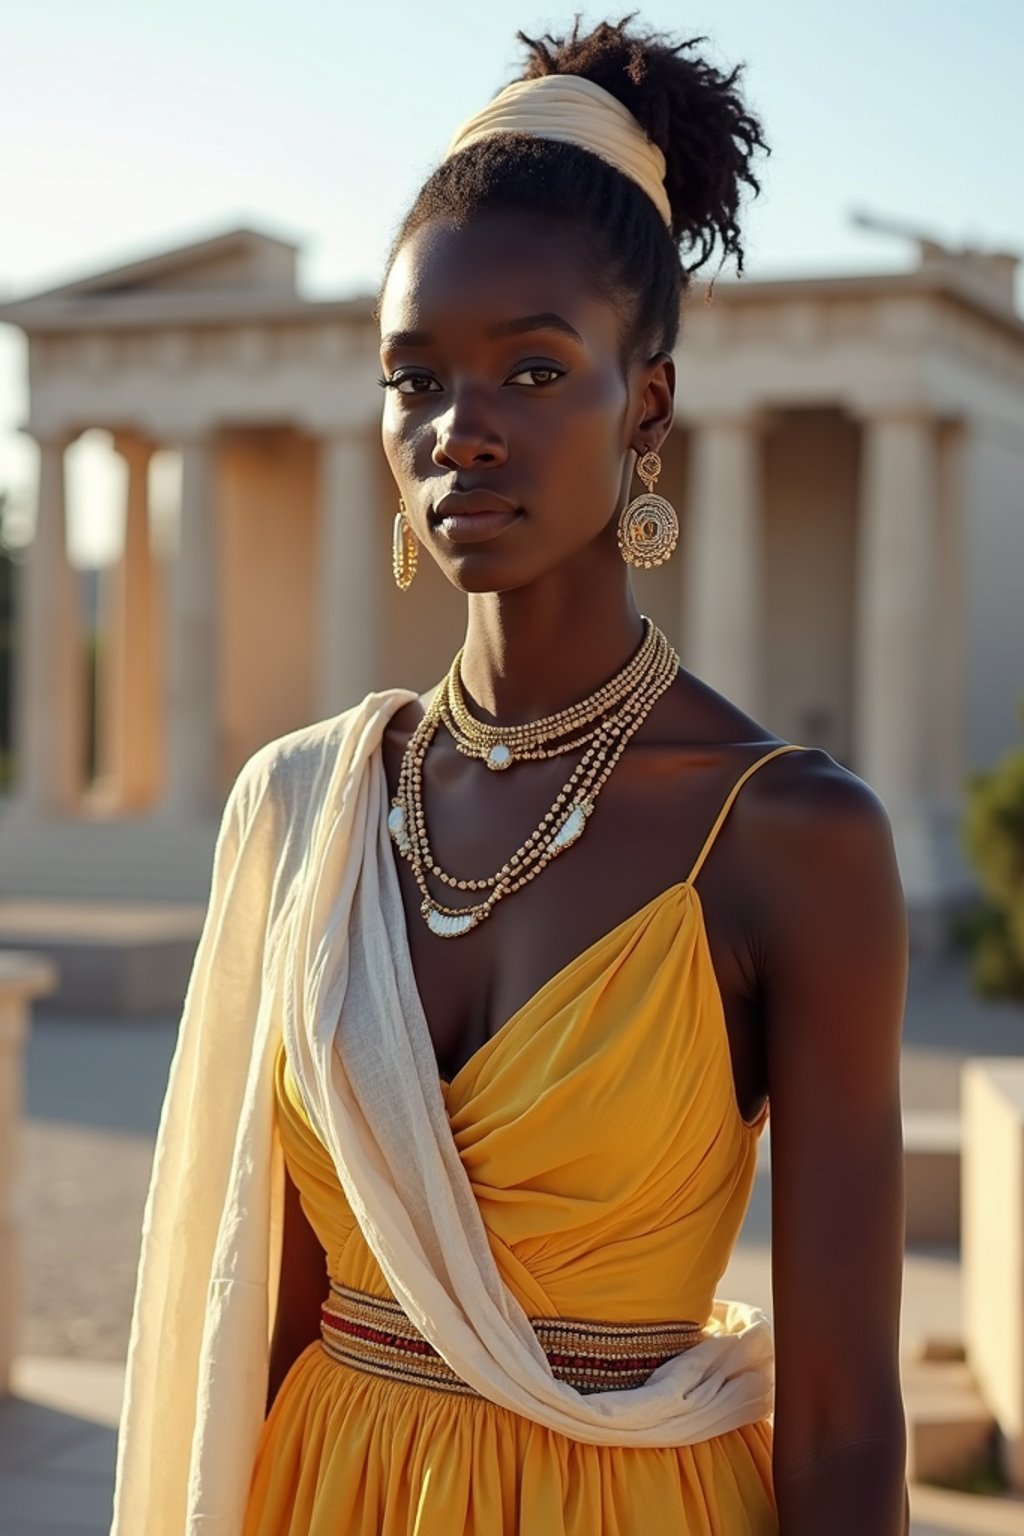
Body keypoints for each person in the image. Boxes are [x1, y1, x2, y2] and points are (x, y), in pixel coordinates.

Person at [111, 16, 910, 1536]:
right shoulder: (306, 812)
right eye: (415, 380)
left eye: (534, 370)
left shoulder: (792, 833)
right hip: (321, 1494)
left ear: (648, 409)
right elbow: (247, 1321)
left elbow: (850, 1422)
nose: (459, 433)